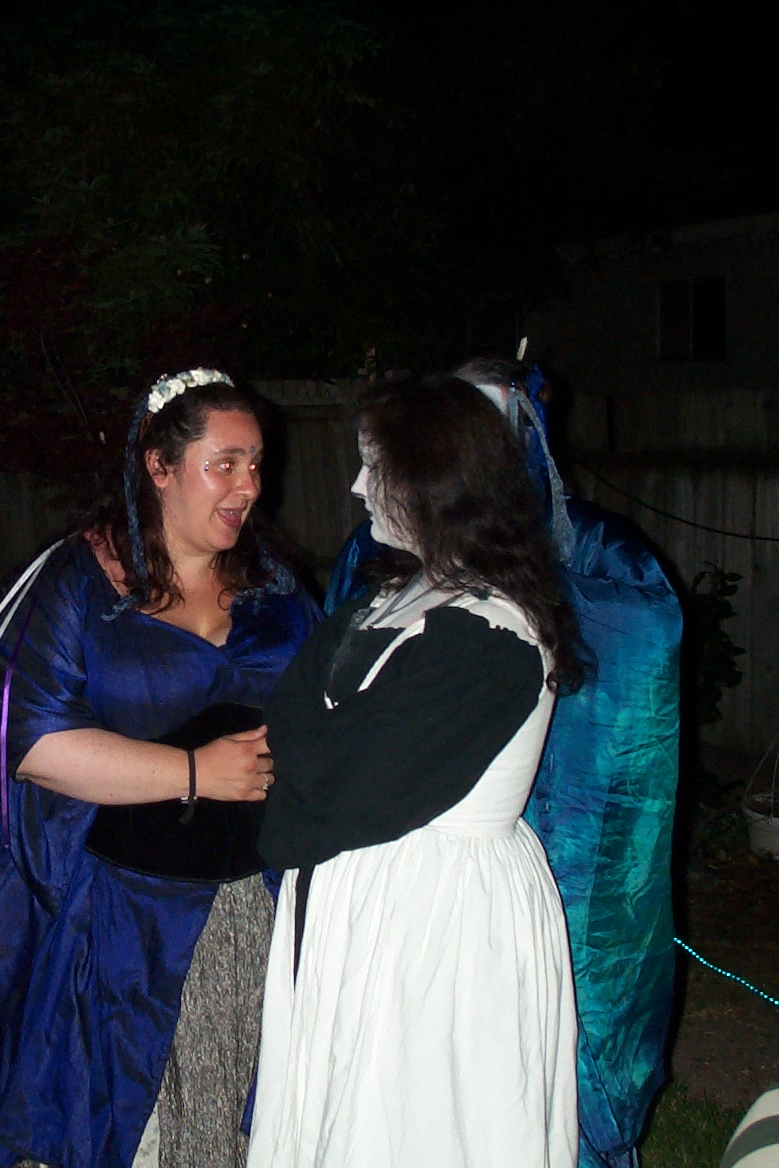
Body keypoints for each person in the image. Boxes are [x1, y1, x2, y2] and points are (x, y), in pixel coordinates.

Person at [0, 369, 321, 1168]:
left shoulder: (277, 589)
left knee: (243, 1116)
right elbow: (33, 745)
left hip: (253, 905)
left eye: (256, 464)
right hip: (112, 914)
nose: (249, 486)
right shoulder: (76, 585)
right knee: (121, 1122)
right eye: (224, 464)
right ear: (159, 466)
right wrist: (194, 772)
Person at [249, 373, 583, 1168]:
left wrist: (304, 761)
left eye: (376, 466)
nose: (357, 486)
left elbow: (345, 782)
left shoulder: (491, 635)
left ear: (438, 479)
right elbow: (292, 714)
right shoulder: (397, 595)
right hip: (371, 891)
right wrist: (310, 752)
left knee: (415, 1115)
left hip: (437, 917)